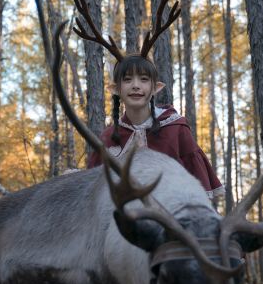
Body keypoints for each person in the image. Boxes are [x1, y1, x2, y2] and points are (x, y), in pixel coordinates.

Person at [88, 54, 224, 200]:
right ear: (116, 89)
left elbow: (197, 193)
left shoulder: (176, 129)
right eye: (127, 80)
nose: (136, 85)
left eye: (144, 79)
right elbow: (94, 193)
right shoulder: (108, 139)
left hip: (173, 217)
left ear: (155, 88)